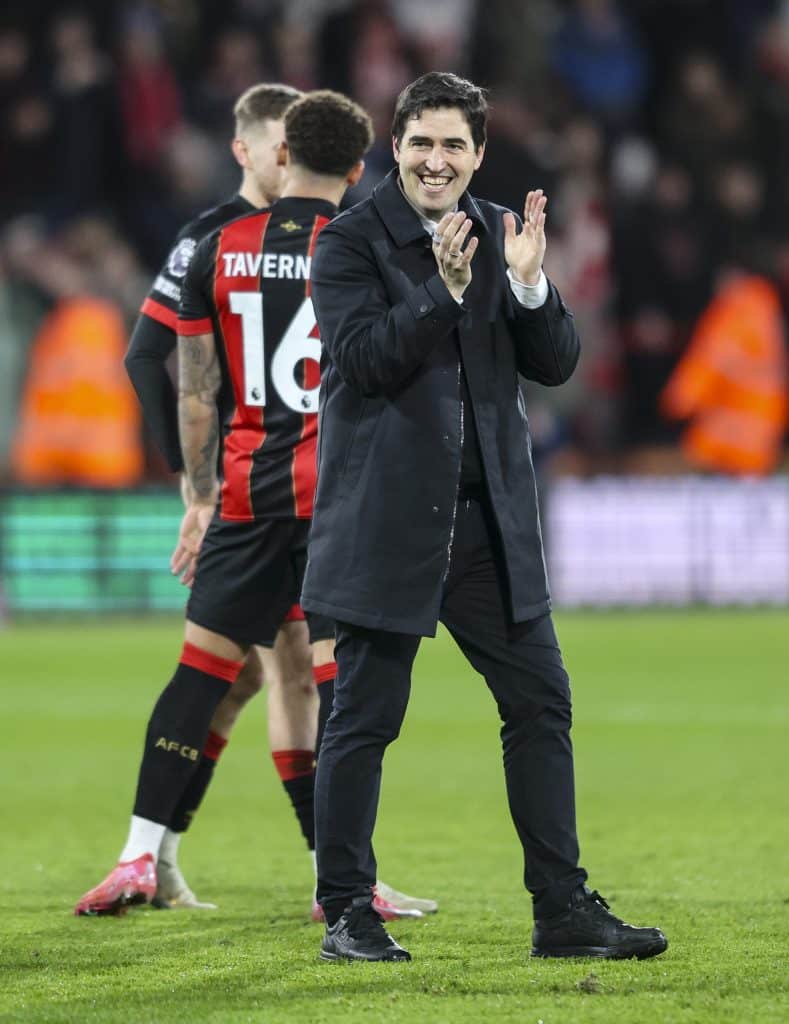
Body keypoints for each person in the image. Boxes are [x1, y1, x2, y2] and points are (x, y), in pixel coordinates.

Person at [302, 72, 668, 962]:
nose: (436, 160)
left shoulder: (506, 229)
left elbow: (556, 364)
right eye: (421, 143)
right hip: (388, 522)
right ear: (395, 147)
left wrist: (533, 285)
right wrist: (444, 288)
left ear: (478, 154)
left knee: (540, 702)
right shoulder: (350, 242)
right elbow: (364, 361)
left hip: (488, 526)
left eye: (453, 146)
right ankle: (348, 912)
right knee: (363, 718)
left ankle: (562, 912)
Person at [77, 87, 435, 920]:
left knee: (203, 676)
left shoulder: (218, 246)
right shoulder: (365, 244)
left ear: (282, 156)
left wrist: (197, 492)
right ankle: (340, 881)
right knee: (329, 687)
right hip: (334, 502)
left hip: (242, 494)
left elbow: (192, 387)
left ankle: (138, 855)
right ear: (359, 165)